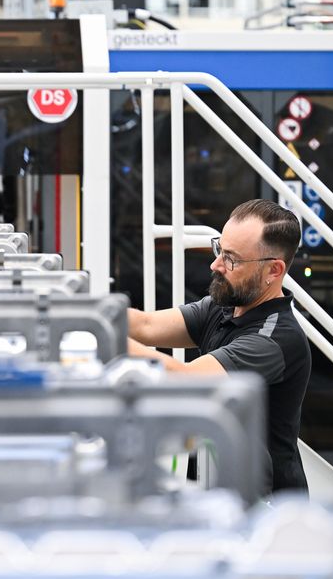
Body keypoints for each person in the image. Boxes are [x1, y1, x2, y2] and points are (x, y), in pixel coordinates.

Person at [127, 198, 311, 494]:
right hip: (219, 490)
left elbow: (183, 379)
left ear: (273, 271)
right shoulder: (224, 307)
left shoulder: (274, 339)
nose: (216, 265)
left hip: (263, 508)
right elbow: (146, 325)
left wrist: (98, 332)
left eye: (231, 259)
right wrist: (82, 314)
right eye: (219, 250)